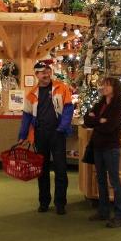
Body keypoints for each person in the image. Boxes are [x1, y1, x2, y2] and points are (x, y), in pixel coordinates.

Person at [18, 62, 74, 215]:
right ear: (36, 74)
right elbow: (26, 116)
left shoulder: (61, 87)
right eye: (43, 72)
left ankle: (60, 203)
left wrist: (62, 127)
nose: (46, 74)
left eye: (48, 71)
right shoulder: (31, 94)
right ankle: (44, 202)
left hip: (57, 134)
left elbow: (68, 108)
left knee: (61, 170)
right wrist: (22, 135)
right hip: (40, 134)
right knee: (41, 170)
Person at [83, 77, 121, 228]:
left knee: (114, 181)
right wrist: (99, 120)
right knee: (101, 180)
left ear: (115, 88)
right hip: (98, 146)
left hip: (111, 147)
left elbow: (110, 127)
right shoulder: (100, 104)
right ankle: (103, 211)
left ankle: (120, 215)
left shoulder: (118, 106)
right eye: (103, 85)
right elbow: (86, 120)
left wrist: (96, 121)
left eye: (108, 85)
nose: (104, 87)